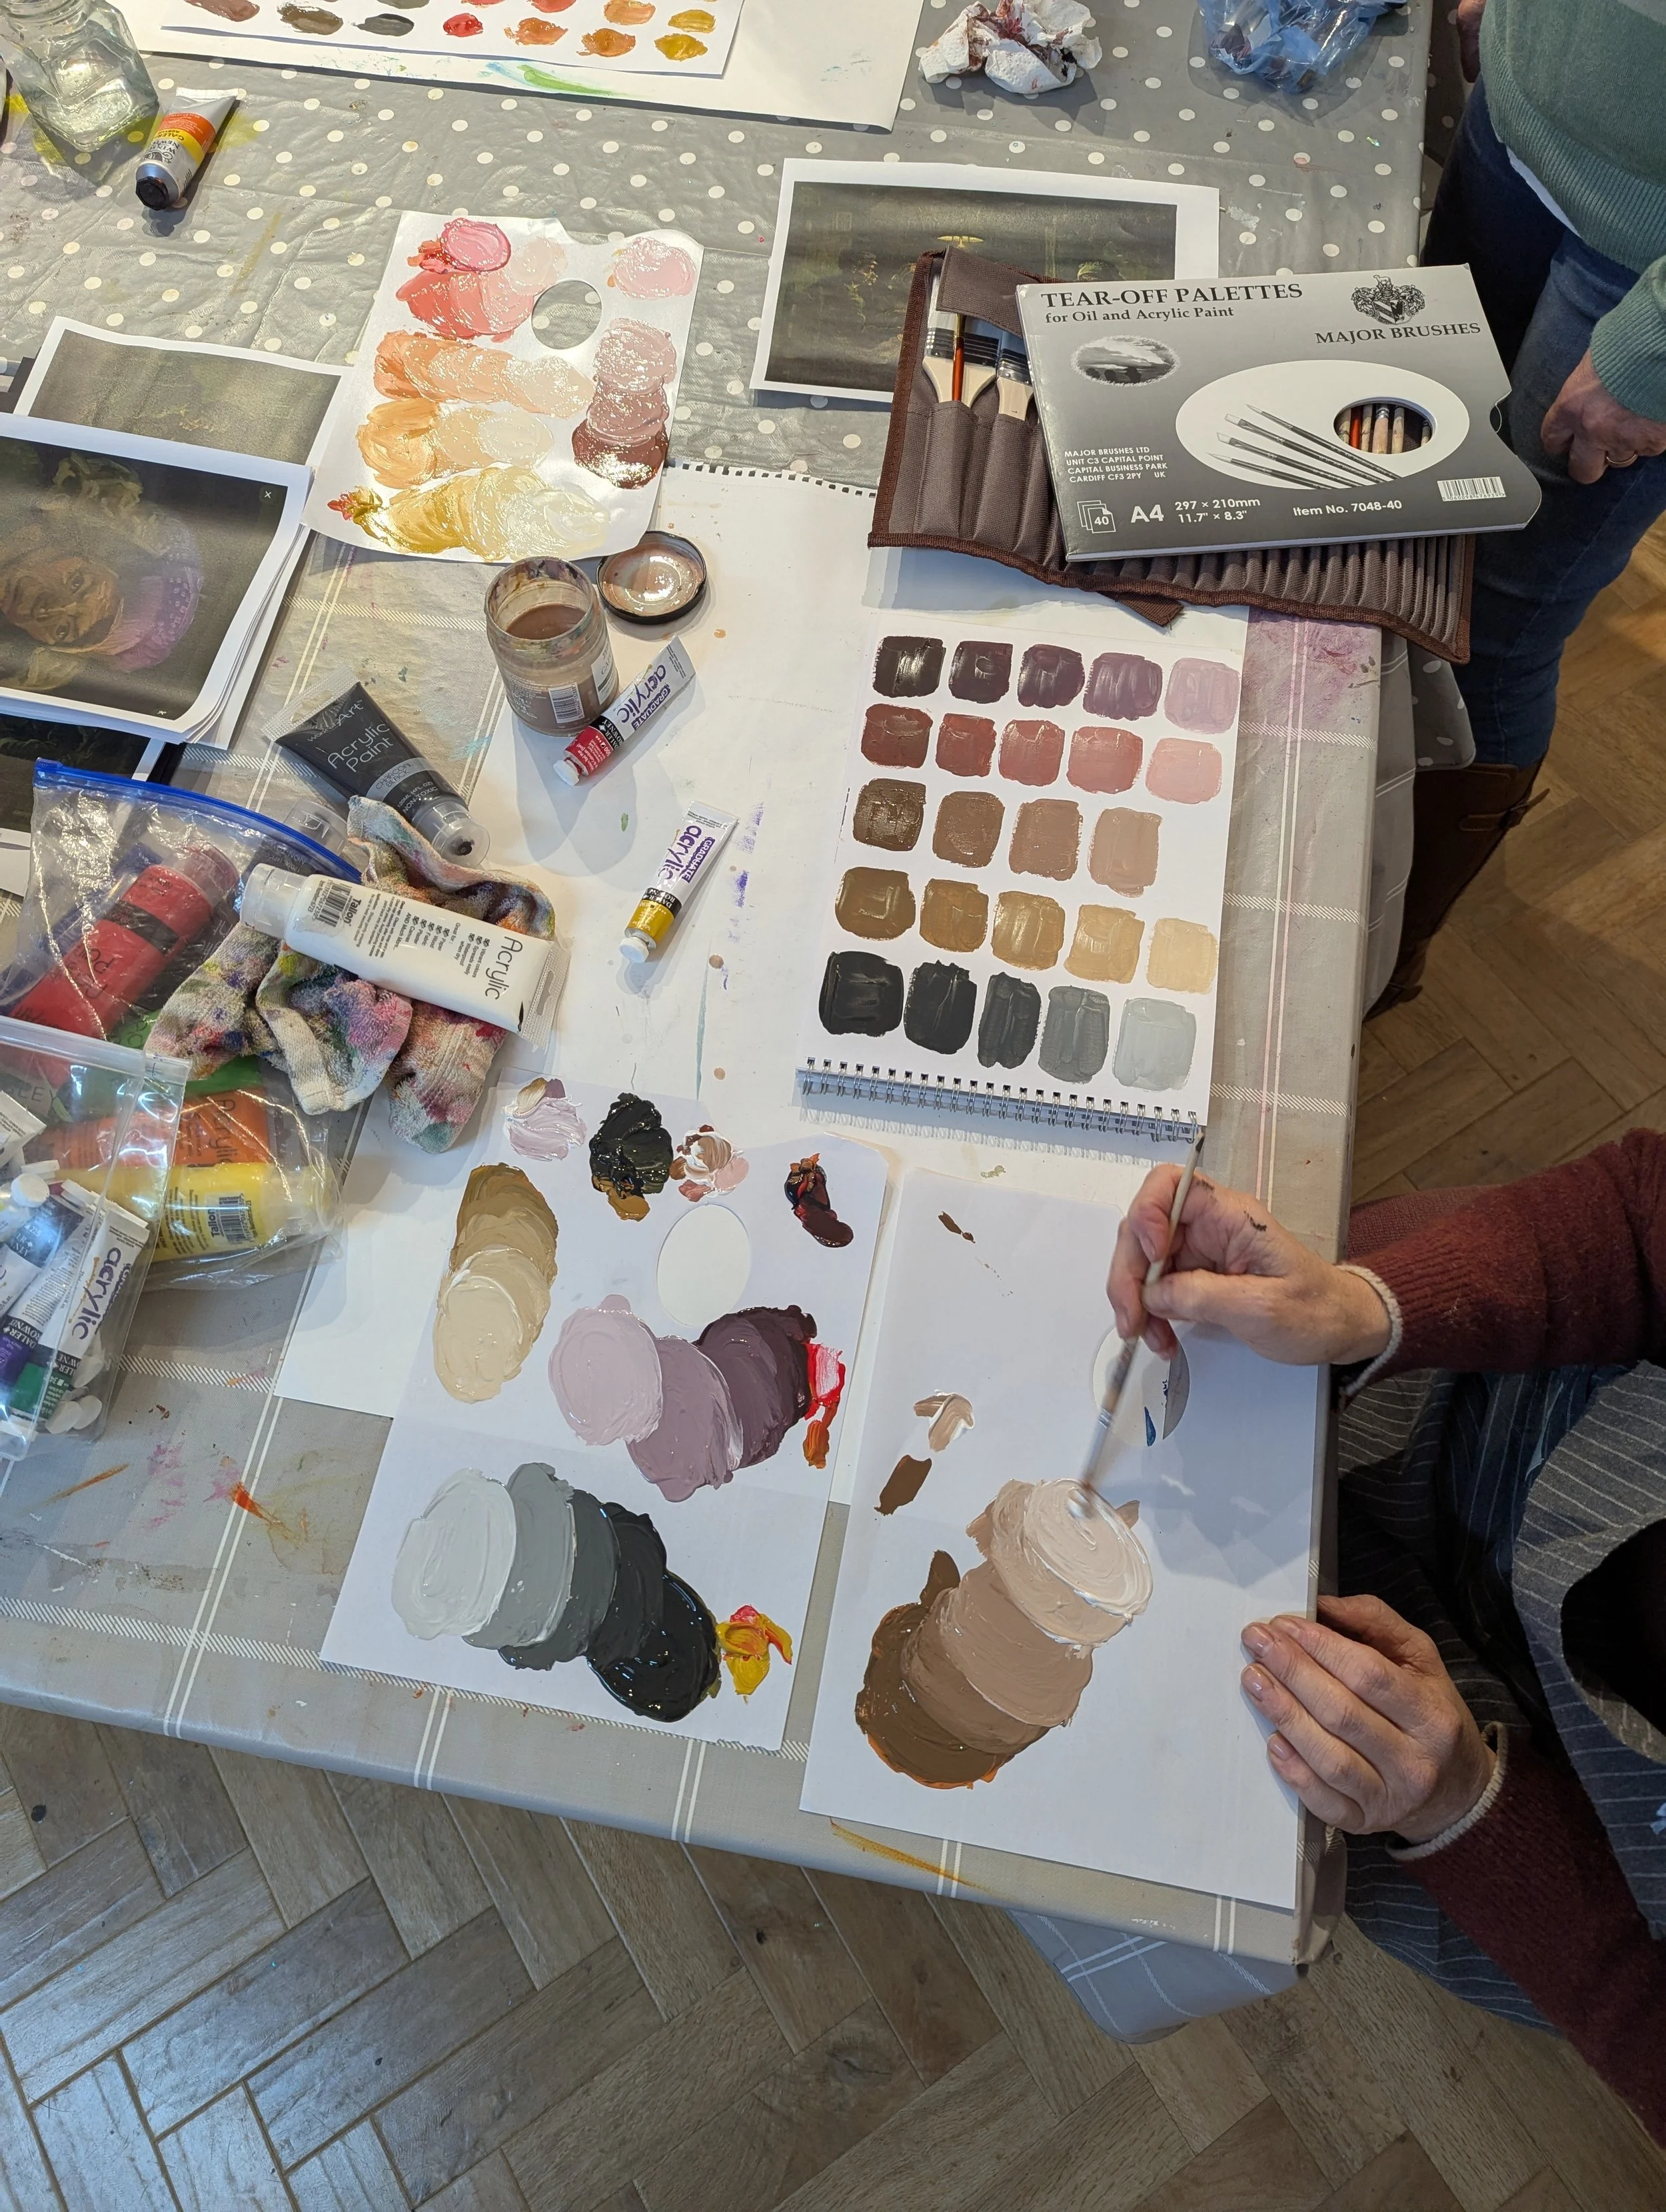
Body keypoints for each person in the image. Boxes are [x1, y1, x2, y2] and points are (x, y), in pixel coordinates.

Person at [1035, 1139, 1666, 2143]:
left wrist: (1466, 1808)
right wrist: (1367, 1309)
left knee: (1188, 1771)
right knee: (1244, 1364)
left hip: (1562, 1833)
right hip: (1533, 1399)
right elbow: (1641, 1219)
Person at [1378, 0, 1666, 1007]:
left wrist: (1657, 349)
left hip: (1642, 268)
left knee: (1490, 627)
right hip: (1522, 116)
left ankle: (1390, 939)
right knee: (1412, 473)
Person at [0, 450, 202, 696]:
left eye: (63, 630)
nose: (51, 609)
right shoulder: (16, 473)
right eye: (78, 583)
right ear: (87, 549)